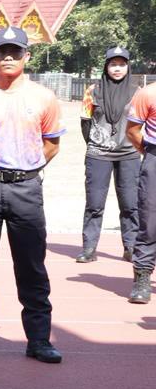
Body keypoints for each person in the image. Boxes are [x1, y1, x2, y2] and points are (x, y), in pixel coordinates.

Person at [0, 27, 65, 365]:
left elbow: (51, 143)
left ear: (26, 57)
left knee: (32, 265)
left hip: (26, 189)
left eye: (15, 52)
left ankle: (39, 340)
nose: (8, 57)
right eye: (1, 51)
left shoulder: (43, 97)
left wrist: (25, 169)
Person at [77, 47, 138, 263]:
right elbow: (85, 121)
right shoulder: (92, 91)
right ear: (106, 66)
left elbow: (143, 124)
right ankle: (89, 248)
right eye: (113, 64)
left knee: (130, 203)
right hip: (98, 154)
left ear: (128, 66)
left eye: (122, 64)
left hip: (129, 154)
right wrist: (97, 143)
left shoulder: (137, 92)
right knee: (94, 203)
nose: (117, 68)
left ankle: (131, 246)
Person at [125, 77, 156, 304]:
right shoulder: (148, 93)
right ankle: (142, 276)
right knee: (150, 220)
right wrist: (148, 152)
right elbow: (133, 130)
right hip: (154, 157)